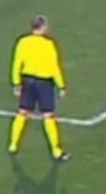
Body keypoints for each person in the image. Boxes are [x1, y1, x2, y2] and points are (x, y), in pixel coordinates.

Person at [8, 15, 70, 161]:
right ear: (43, 27)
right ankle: (56, 151)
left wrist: (16, 82)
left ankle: (13, 145)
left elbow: (17, 63)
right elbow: (54, 67)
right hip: (44, 83)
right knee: (48, 115)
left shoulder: (23, 42)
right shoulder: (49, 44)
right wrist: (61, 85)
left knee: (22, 113)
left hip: (27, 81)